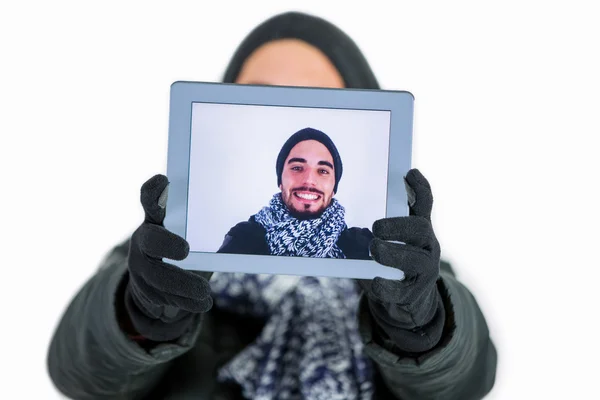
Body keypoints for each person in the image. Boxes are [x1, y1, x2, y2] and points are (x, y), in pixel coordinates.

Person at [47, 11, 497, 400]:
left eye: (316, 99)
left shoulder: (397, 260)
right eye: (262, 96)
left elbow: (466, 382)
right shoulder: (170, 249)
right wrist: (141, 311)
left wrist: (422, 327)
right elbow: (80, 375)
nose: (289, 110)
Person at [217, 126, 373, 260]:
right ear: (280, 181)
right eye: (297, 168)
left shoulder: (362, 246)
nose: (309, 180)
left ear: (333, 188)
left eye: (323, 171)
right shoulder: (244, 237)